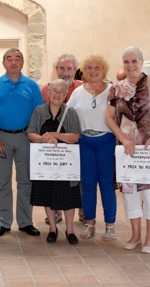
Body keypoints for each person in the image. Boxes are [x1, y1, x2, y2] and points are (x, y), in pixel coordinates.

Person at [105, 46, 150, 254]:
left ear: (142, 62)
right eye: (126, 62)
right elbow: (109, 118)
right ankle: (135, 234)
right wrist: (122, 138)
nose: (130, 65)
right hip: (126, 148)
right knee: (129, 191)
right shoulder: (115, 88)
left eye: (134, 61)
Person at [0, 48, 43, 238]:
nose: (13, 62)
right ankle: (3, 222)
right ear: (3, 63)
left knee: (26, 181)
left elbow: (39, 114)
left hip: (25, 137)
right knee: (1, 182)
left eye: (17, 59)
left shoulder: (32, 86)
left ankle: (25, 222)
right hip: (0, 137)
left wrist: (36, 138)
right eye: (9, 59)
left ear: (22, 62)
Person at [67, 54, 117, 241]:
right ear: (84, 71)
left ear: (104, 70)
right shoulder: (78, 92)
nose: (93, 71)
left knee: (106, 185)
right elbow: (69, 115)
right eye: (89, 67)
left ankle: (110, 226)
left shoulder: (113, 90)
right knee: (87, 186)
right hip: (84, 142)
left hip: (106, 141)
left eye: (97, 67)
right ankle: (90, 223)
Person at [28, 79, 82, 245]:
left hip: (65, 164)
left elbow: (75, 137)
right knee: (48, 194)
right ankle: (52, 228)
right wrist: (44, 138)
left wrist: (55, 135)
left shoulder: (70, 112)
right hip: (45, 163)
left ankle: (70, 230)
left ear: (66, 95)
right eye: (54, 91)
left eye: (61, 92)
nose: (57, 94)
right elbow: (31, 133)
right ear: (48, 92)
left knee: (69, 196)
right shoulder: (39, 111)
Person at [40, 54, 85, 225]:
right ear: (56, 69)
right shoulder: (46, 88)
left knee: (78, 178)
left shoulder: (83, 88)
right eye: (61, 68)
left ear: (75, 70)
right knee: (54, 175)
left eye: (69, 69)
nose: (65, 72)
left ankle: (82, 211)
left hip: (76, 139)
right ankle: (55, 211)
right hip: (55, 143)